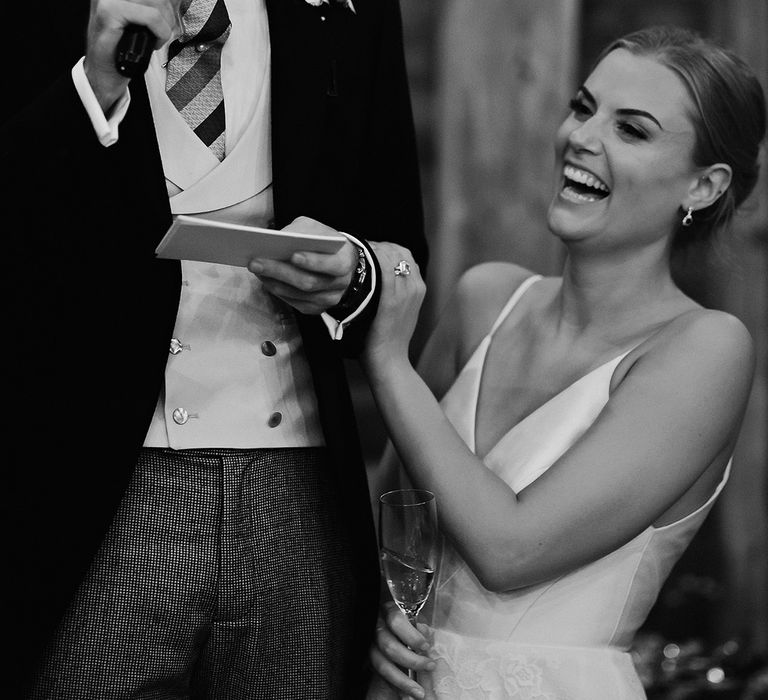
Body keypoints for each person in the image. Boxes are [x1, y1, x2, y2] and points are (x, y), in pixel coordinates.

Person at [4, 0, 426, 697]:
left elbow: (400, 242)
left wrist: (352, 273)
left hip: (299, 491)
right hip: (93, 481)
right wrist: (94, 91)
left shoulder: (354, 11)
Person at [359, 25, 766, 699]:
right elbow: (395, 513)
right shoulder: (485, 299)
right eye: (583, 107)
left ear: (702, 186)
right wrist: (387, 619)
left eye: (631, 130)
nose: (581, 136)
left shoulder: (705, 348)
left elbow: (511, 552)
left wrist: (387, 357)